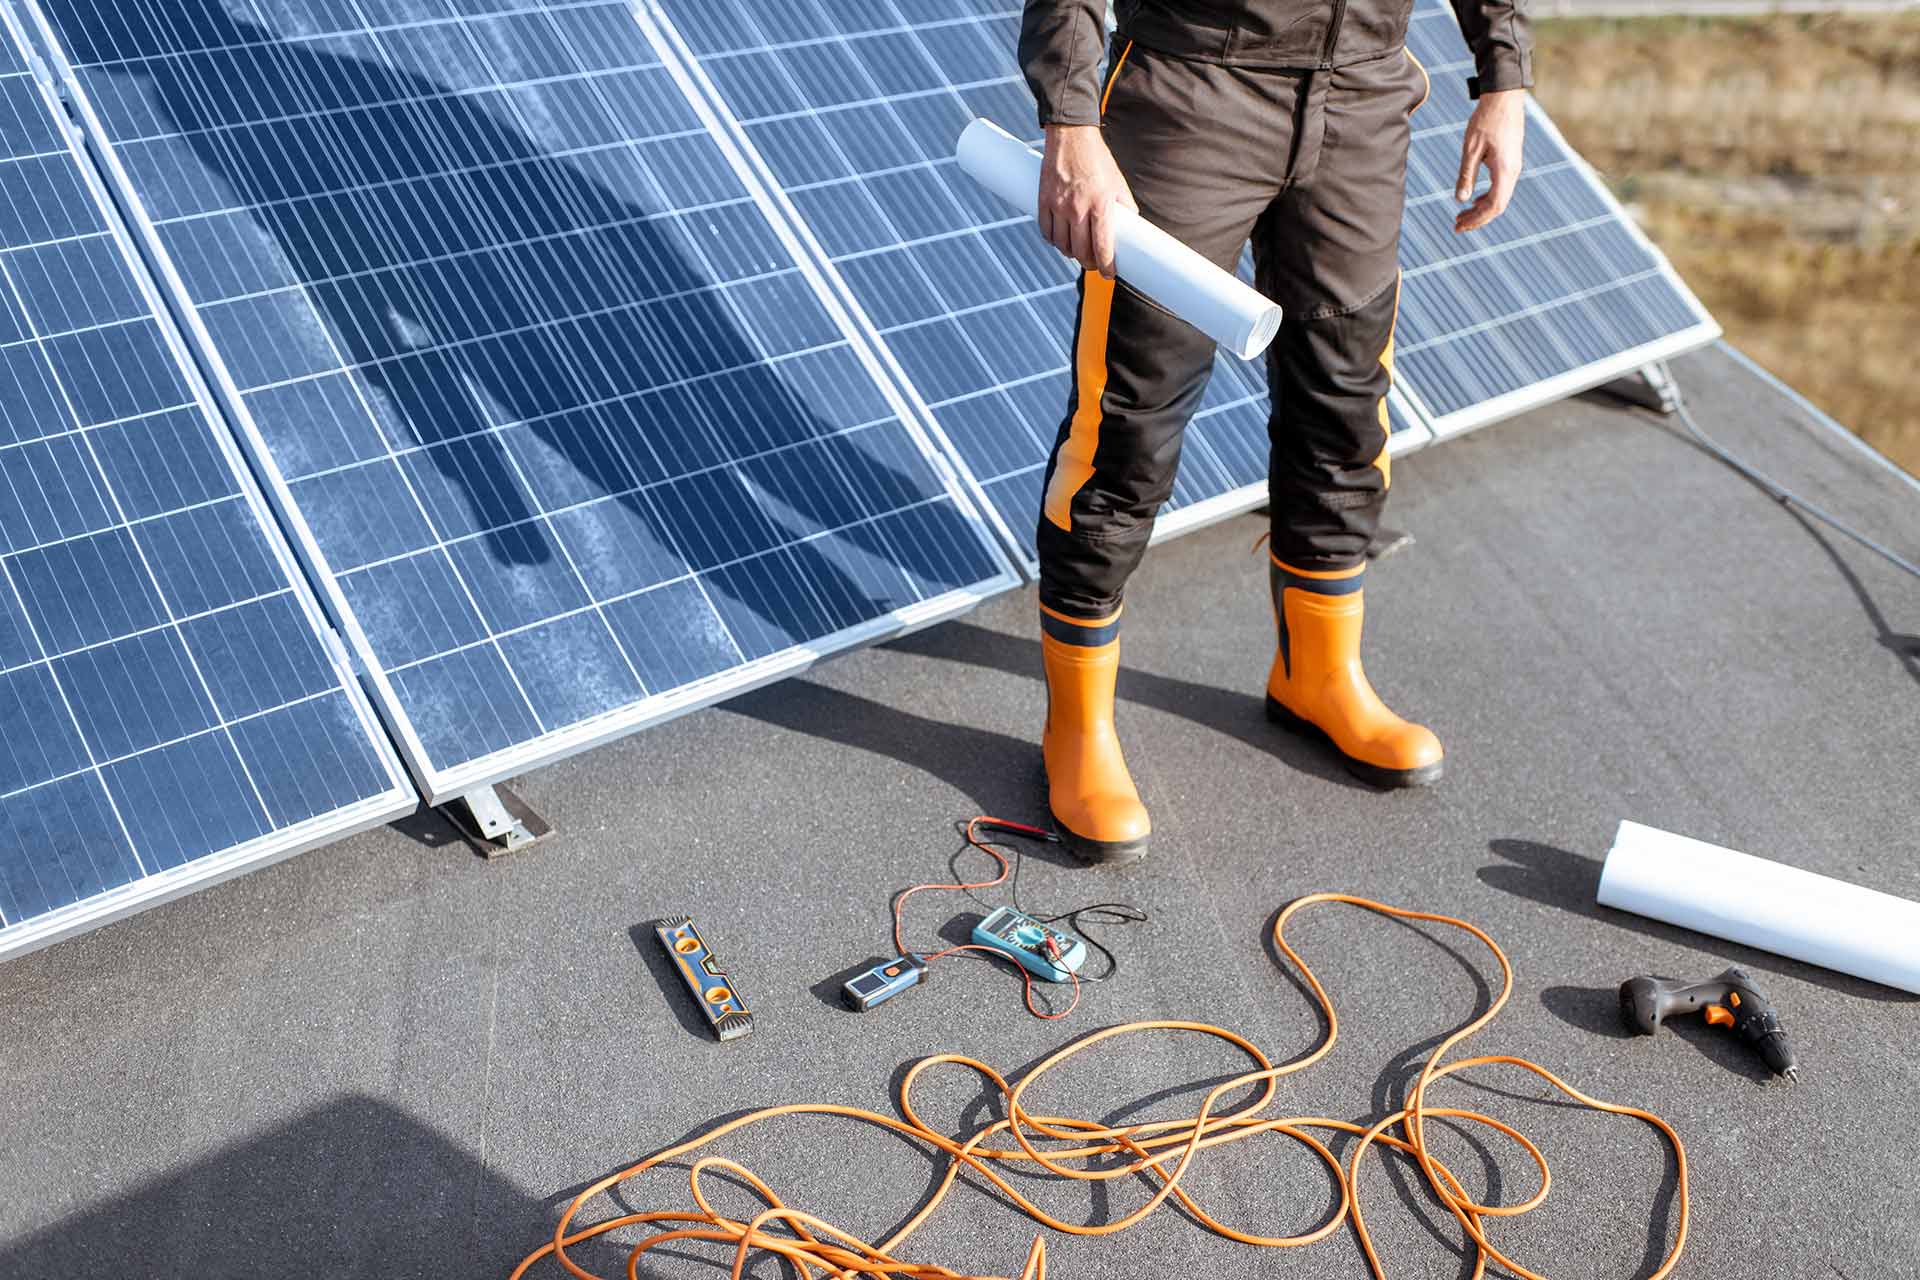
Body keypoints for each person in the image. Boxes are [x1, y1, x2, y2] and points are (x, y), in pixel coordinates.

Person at [1020, 0, 1531, 863]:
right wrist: (1070, 120)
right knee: (1126, 437)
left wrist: (1504, 78)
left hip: (1364, 94)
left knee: (1346, 408)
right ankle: (1077, 728)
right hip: (1192, 92)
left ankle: (1316, 676)